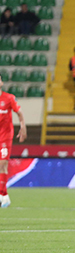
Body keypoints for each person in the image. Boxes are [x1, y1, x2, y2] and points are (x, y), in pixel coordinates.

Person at [0, 72, 27, 208]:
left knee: (2, 163)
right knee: (2, 166)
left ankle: (2, 194)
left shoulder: (9, 98)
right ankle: (4, 195)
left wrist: (23, 126)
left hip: (5, 137)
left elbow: (19, 113)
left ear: (1, 83)